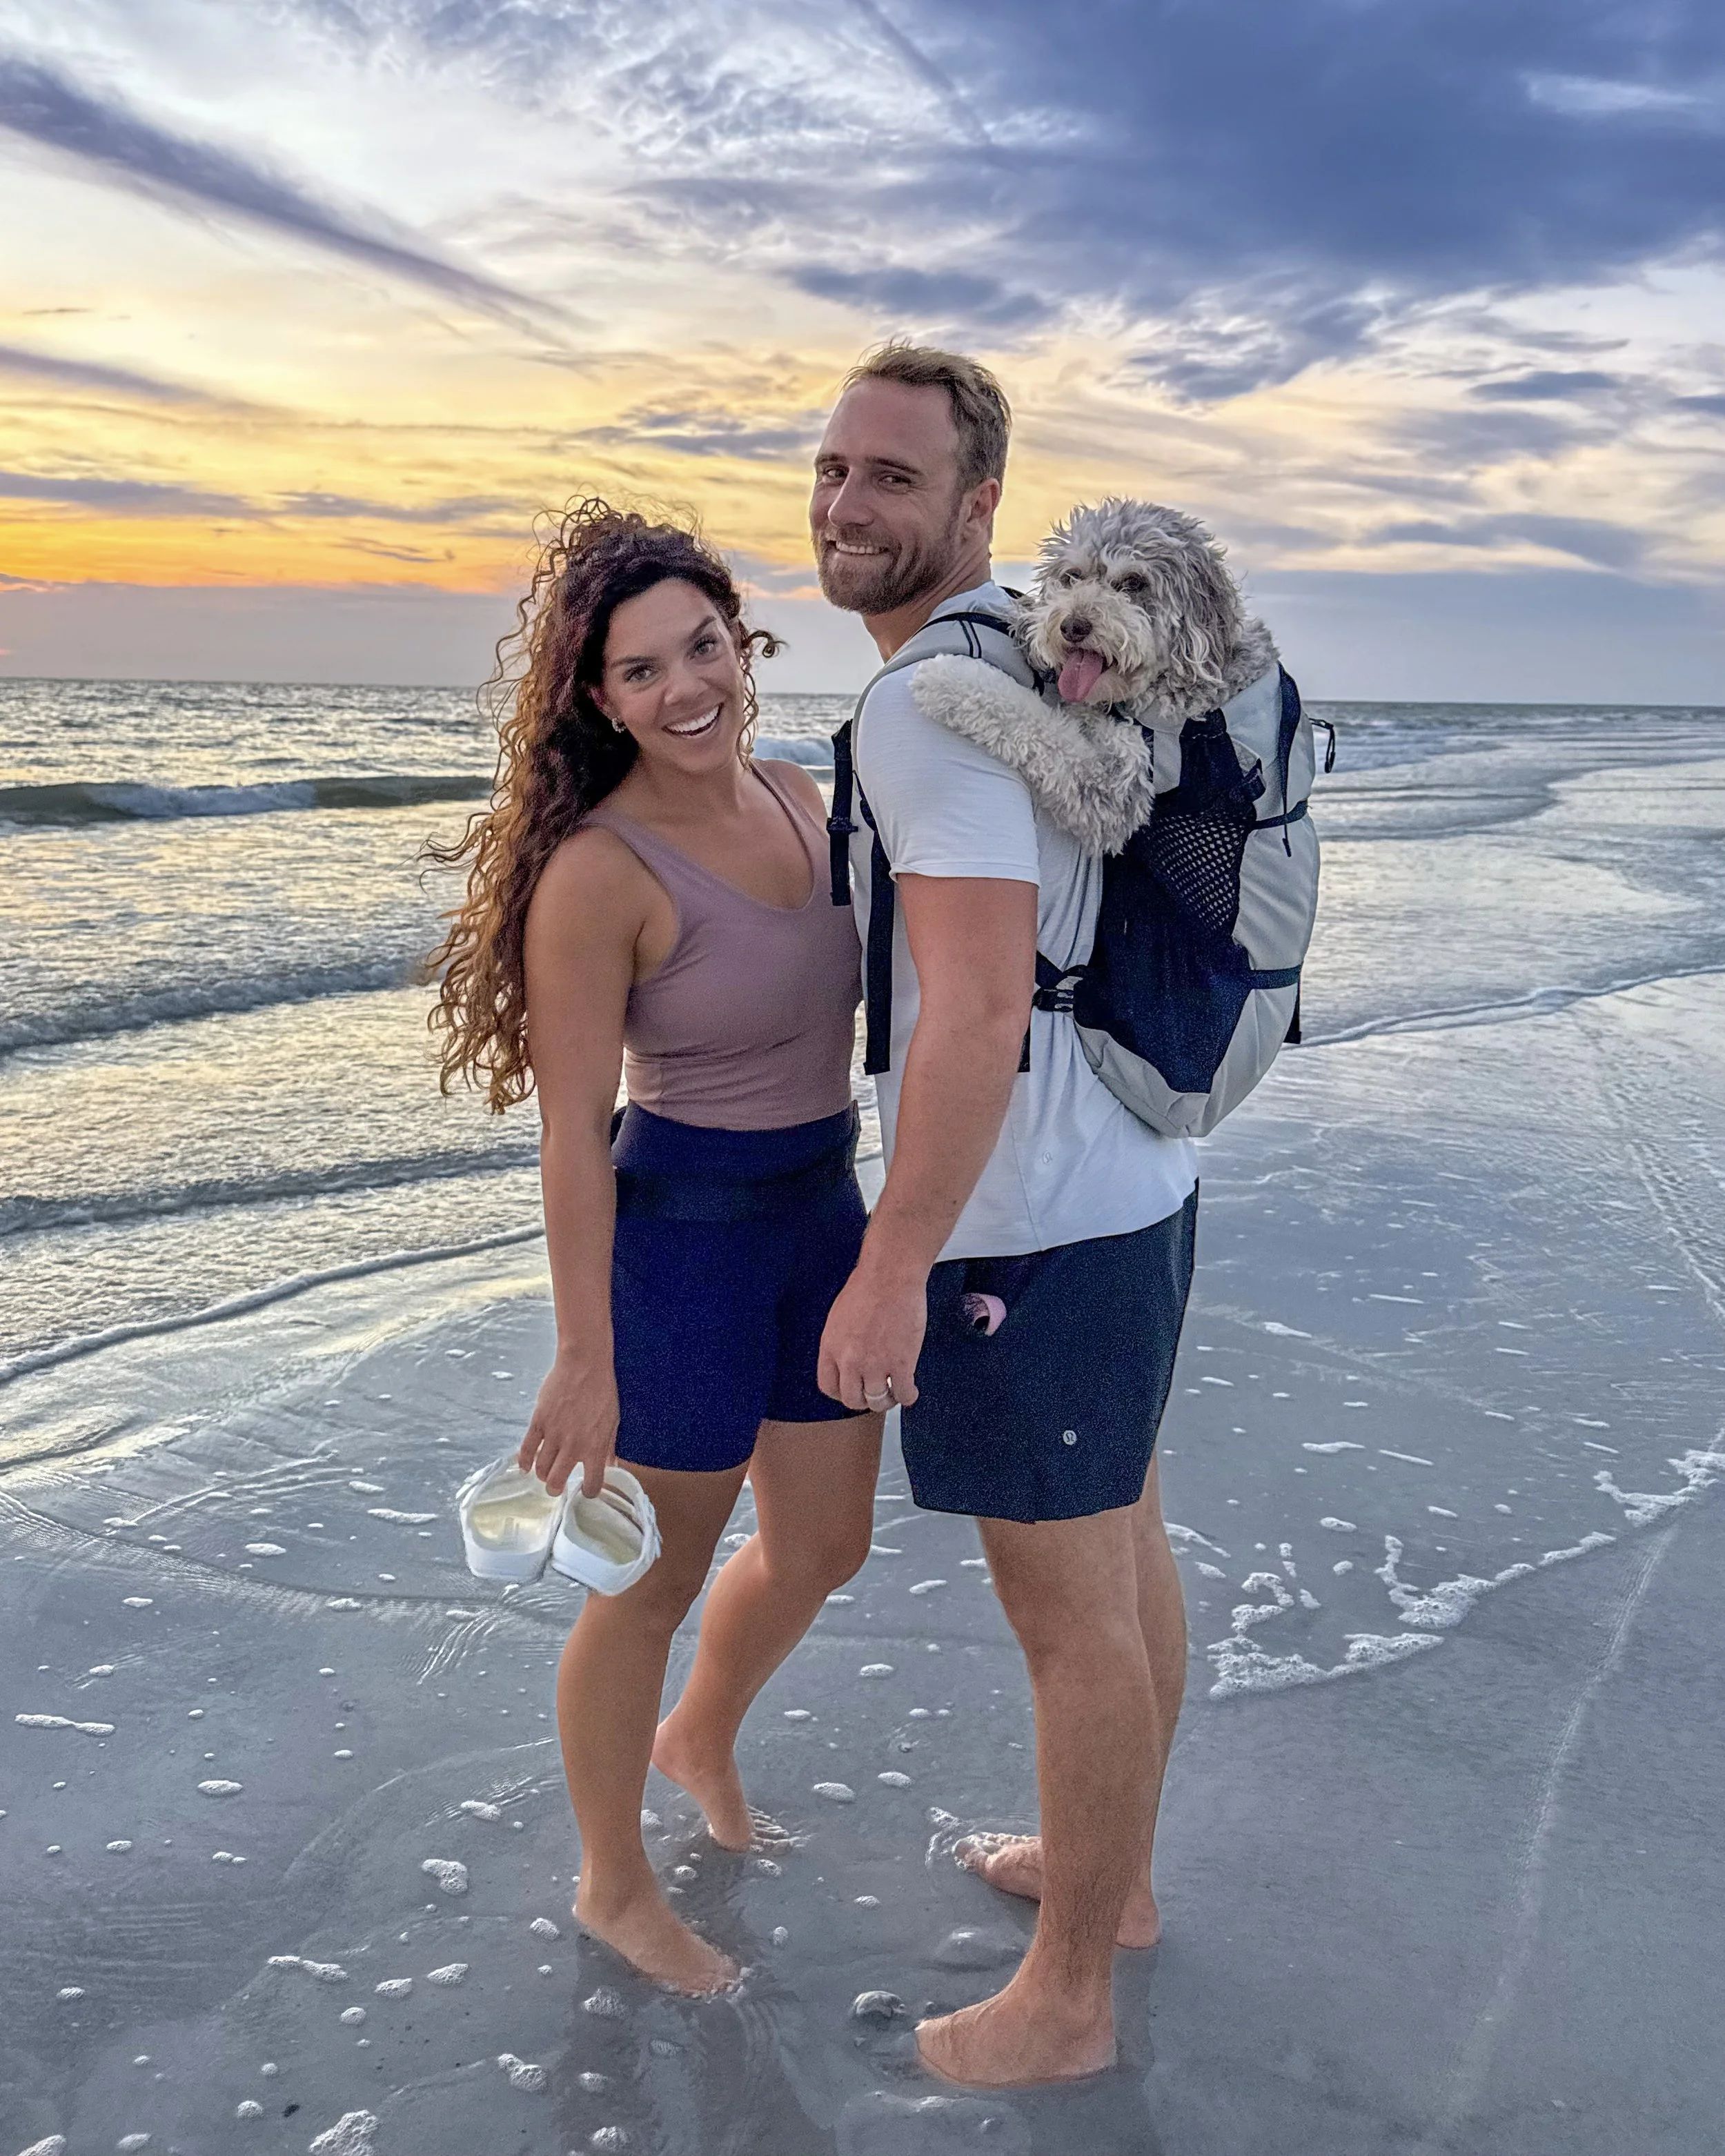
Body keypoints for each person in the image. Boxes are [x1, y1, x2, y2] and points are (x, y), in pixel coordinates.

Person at [426, 501, 883, 1994]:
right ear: (596, 697)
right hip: (678, 1242)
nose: (686, 687)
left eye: (702, 646)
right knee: (646, 1584)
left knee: (823, 1542)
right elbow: (572, 1132)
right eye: (640, 670)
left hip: (822, 1214)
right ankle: (611, 1880)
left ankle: (698, 1734)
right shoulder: (597, 876)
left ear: (739, 644)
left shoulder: (807, 796)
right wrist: (582, 1356)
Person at [811, 346, 1199, 2085]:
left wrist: (894, 1259)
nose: (844, 504)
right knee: (1120, 1557)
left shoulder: (923, 706)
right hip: (1130, 1173)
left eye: (891, 477)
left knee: (1068, 1613)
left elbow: (968, 1009)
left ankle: (1065, 2000)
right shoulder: (1023, 673)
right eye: (832, 469)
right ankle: (1103, 1890)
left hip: (1022, 1220)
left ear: (979, 507)